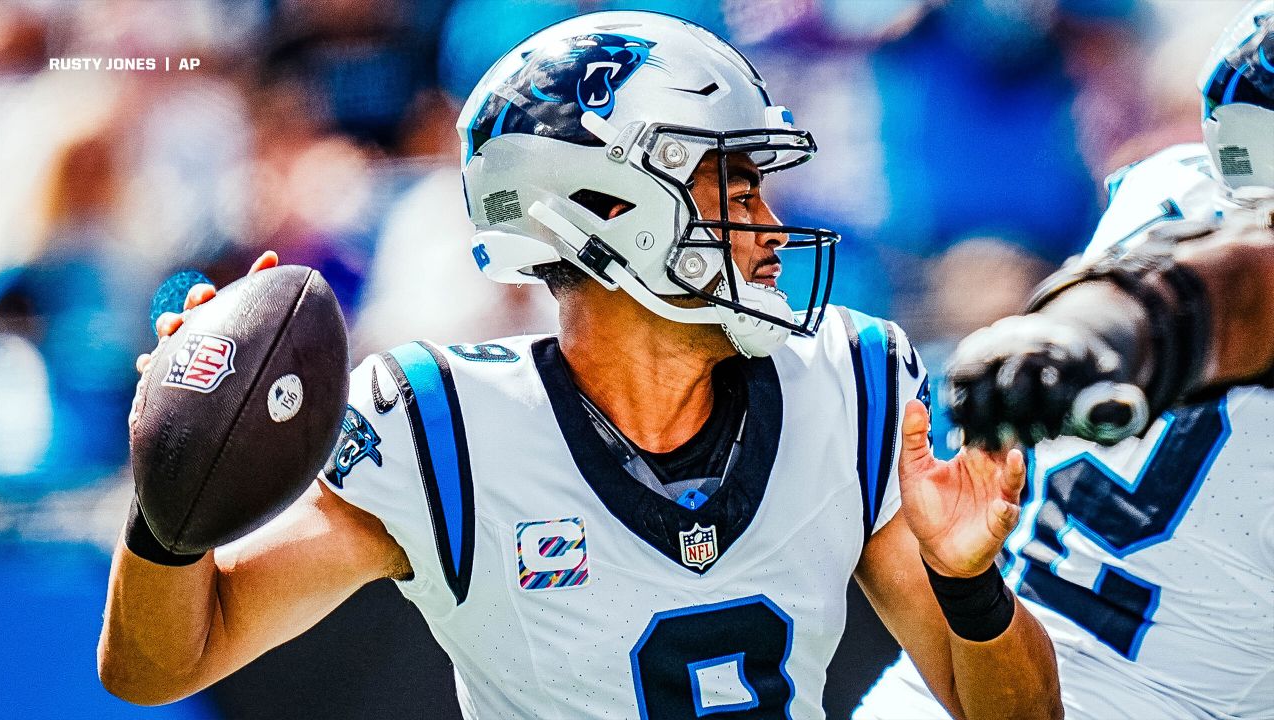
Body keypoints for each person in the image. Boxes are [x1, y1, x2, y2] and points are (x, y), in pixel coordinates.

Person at [98, 12, 1061, 719]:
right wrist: (172, 489)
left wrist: (970, 583)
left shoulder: (852, 381)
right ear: (607, 207)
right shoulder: (442, 426)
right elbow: (160, 668)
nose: (769, 229)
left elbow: (1015, 718)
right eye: (732, 188)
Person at [857, 3, 1274, 718]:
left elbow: (1198, 290)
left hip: (940, 690)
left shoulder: (1166, 187)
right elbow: (1235, 293)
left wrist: (1076, 336)